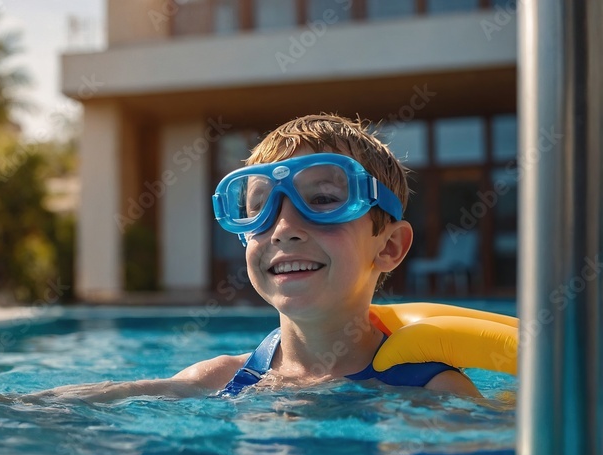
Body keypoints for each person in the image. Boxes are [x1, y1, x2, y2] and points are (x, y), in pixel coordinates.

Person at [29, 114, 481, 403]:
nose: (283, 227)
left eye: (322, 199)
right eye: (260, 206)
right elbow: (89, 401)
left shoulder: (432, 390)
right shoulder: (222, 378)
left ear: (389, 246)